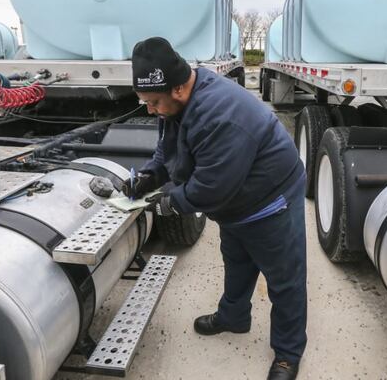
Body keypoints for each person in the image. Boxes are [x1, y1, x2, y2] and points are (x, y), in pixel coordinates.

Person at [124, 37, 307, 380]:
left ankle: (288, 352)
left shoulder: (220, 114)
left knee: (285, 279)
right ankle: (234, 317)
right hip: (234, 205)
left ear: (178, 90)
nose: (150, 109)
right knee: (236, 259)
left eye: (153, 103)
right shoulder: (175, 100)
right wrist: (150, 176)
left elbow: (211, 188)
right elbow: (168, 148)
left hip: (271, 200)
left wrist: (166, 203)